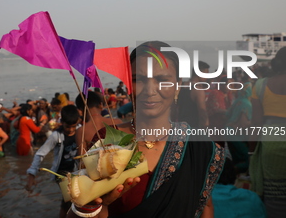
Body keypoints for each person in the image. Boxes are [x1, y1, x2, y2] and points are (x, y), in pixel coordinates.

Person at [67, 41, 225, 218]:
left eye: (162, 80)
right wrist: (95, 205)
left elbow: (206, 206)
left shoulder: (197, 146)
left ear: (177, 85)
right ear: (128, 84)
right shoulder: (108, 140)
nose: (150, 90)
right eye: (138, 79)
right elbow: (80, 209)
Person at [249, 47, 286, 218]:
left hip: (271, 144)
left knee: (275, 200)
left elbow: (256, 123)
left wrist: (251, 152)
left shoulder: (261, 85)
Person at [25, 105, 81, 218]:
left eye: (73, 127)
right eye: (67, 127)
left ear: (78, 122)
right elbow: (40, 153)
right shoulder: (56, 136)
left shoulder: (81, 130)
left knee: (76, 198)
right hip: (60, 172)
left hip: (76, 170)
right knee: (70, 198)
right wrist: (32, 173)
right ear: (61, 122)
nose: (70, 130)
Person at [75, 91, 122, 156]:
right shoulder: (118, 122)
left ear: (80, 111)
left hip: (96, 165)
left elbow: (82, 160)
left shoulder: (81, 131)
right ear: (101, 105)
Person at [177, 61, 210, 128]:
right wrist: (205, 128)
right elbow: (202, 114)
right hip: (193, 128)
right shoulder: (198, 90)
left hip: (180, 126)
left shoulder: (181, 86)